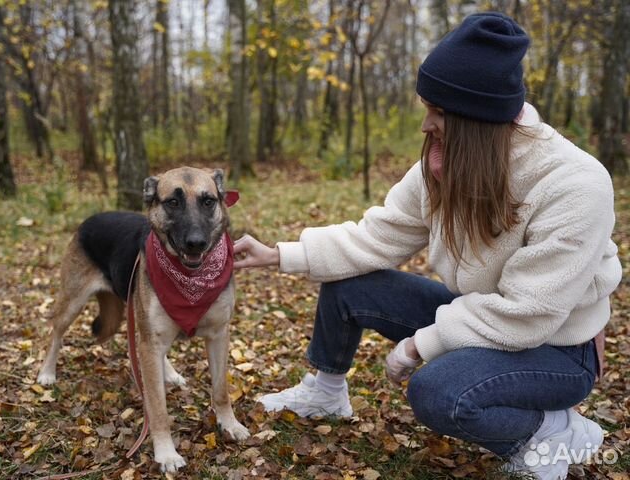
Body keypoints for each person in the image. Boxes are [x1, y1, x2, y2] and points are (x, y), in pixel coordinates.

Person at [233, 11, 621, 480]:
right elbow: (376, 237)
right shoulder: (445, 165)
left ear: (476, 118)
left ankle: (549, 430)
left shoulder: (573, 183)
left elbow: (529, 313)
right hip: (480, 314)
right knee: (347, 285)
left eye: (438, 112)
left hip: (557, 349)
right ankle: (326, 392)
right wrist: (277, 255)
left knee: (438, 392)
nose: (425, 124)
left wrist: (421, 345)